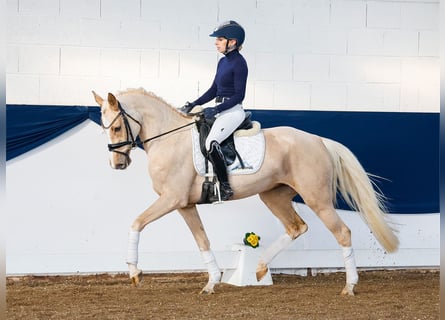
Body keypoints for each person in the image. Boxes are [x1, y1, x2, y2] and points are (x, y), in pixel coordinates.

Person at [180, 20, 248, 201]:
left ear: (232, 42)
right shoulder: (222, 62)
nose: (215, 42)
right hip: (220, 110)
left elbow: (239, 96)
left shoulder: (239, 63)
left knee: (211, 142)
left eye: (219, 39)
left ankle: (225, 186)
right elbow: (213, 90)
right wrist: (193, 104)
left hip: (233, 111)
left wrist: (216, 109)